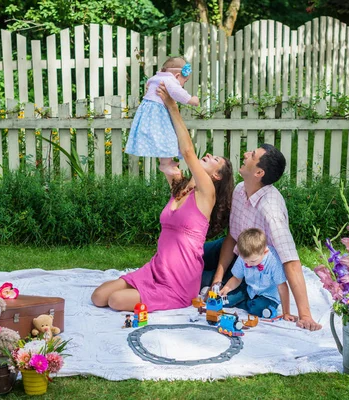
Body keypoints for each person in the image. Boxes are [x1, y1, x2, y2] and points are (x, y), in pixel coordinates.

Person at [91, 82, 234, 312]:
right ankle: (142, 287)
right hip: (157, 268)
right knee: (98, 297)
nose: (208, 154)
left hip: (179, 280)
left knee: (116, 301)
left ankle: (157, 294)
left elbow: (187, 151)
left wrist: (172, 105)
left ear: (217, 176)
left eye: (215, 159)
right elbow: (165, 153)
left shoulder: (207, 192)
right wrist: (155, 108)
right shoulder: (183, 187)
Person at [202, 144, 322, 331]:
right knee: (192, 256)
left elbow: (290, 261)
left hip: (252, 263)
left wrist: (305, 315)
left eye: (252, 155)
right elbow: (232, 238)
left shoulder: (271, 210)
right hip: (234, 251)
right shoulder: (240, 190)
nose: (245, 154)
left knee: (198, 281)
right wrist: (217, 280)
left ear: (259, 173)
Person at [124, 57, 200, 176]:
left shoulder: (155, 78)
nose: (183, 85)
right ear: (177, 76)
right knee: (167, 137)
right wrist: (192, 100)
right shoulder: (170, 81)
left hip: (148, 112)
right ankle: (165, 164)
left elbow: (149, 85)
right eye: (184, 81)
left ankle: (166, 162)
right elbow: (178, 93)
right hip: (157, 113)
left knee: (163, 138)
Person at [219, 228, 297, 320]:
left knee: (256, 308)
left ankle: (267, 309)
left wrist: (286, 312)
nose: (248, 264)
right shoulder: (245, 256)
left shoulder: (274, 261)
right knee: (225, 301)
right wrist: (225, 289)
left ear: (265, 252)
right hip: (250, 289)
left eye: (252, 261)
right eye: (245, 261)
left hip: (269, 296)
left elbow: (282, 286)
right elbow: (237, 278)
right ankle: (247, 302)